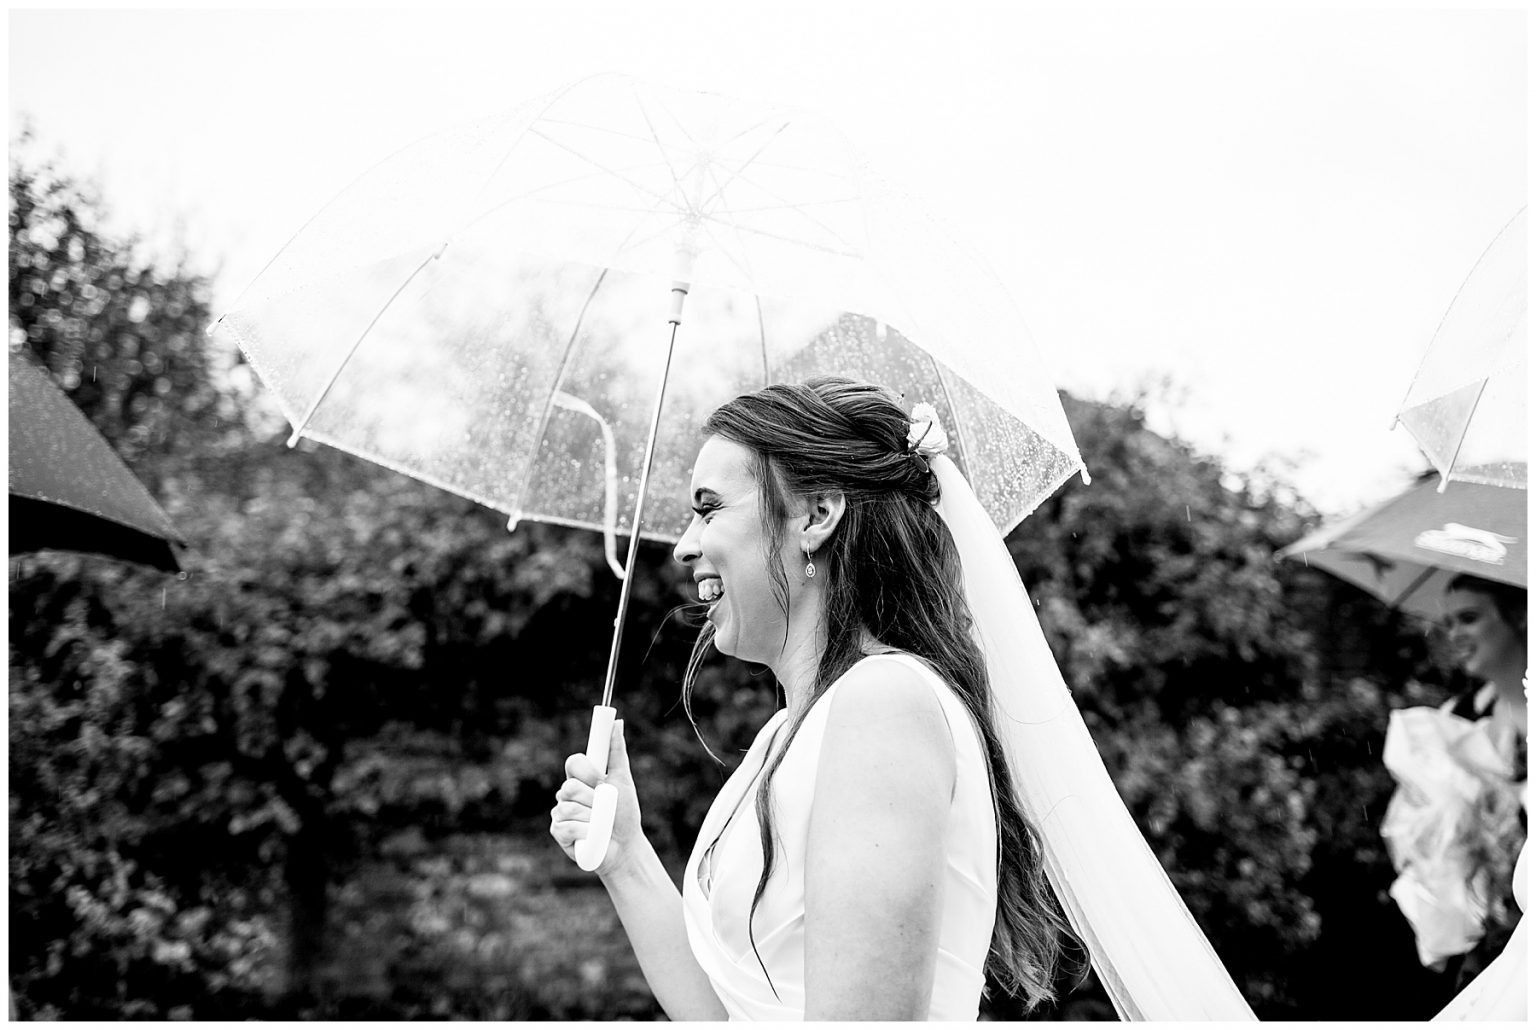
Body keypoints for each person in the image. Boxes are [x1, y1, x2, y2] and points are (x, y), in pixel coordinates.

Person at [550, 377, 1256, 1020]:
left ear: (818, 514)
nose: (685, 545)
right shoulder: (782, 738)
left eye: (709, 509)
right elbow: (730, 1016)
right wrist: (626, 858)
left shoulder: (884, 705)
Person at [1381, 574, 1527, 1001]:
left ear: (1518, 616)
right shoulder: (1453, 720)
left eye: (1468, 618)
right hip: (1485, 939)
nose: (1455, 634)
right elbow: (1416, 836)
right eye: (1448, 623)